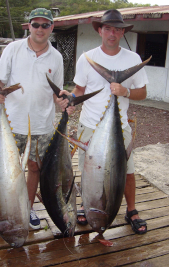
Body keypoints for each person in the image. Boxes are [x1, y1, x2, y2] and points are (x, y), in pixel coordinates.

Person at [0, 8, 68, 238]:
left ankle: (27, 209)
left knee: (34, 168)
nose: (40, 29)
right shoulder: (13, 49)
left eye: (45, 25)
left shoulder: (57, 57)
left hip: (42, 126)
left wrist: (63, 100)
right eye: (36, 24)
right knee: (5, 171)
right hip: (11, 123)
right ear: (28, 26)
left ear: (51, 28)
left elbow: (56, 91)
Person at [67, 9, 148, 234]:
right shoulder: (87, 58)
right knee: (89, 169)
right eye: (108, 28)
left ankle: (131, 210)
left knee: (127, 171)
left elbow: (142, 93)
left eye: (117, 29)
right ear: (100, 30)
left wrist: (125, 91)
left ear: (122, 32)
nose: (112, 33)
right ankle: (88, 204)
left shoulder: (133, 59)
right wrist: (72, 99)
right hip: (89, 125)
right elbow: (80, 89)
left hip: (118, 127)